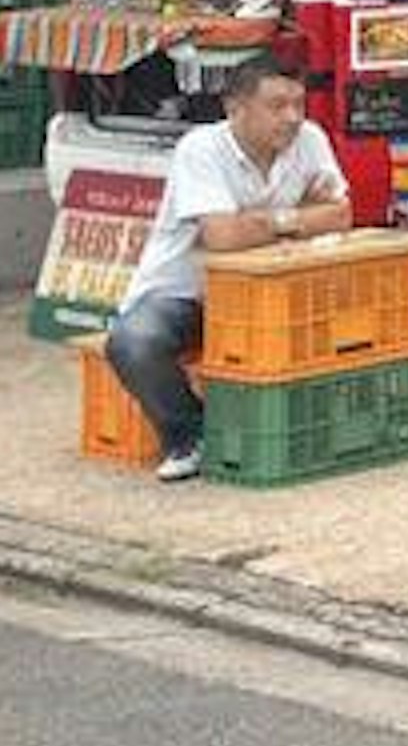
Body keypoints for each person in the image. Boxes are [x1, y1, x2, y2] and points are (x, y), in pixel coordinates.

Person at [106, 59, 349, 481]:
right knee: (133, 341)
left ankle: (312, 433)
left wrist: (259, 222)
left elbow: (341, 214)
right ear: (235, 109)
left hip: (271, 292)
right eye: (277, 106)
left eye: (298, 105)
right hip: (189, 296)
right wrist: (296, 217)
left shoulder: (310, 139)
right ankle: (191, 435)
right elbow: (221, 237)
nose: (292, 118)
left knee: (354, 324)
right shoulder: (200, 148)